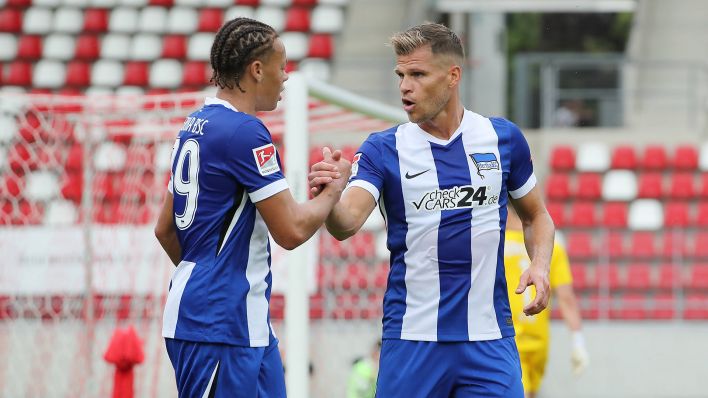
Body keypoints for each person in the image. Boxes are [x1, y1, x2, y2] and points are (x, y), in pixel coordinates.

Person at [309, 23, 555, 397]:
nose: (405, 86)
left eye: (418, 74)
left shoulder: (502, 139)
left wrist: (539, 264)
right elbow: (346, 223)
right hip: (412, 340)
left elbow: (537, 215)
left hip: (488, 338)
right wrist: (330, 196)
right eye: (401, 75)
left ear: (452, 76)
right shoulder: (382, 149)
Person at [154, 17, 350, 398]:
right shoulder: (245, 131)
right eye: (283, 66)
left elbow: (165, 229)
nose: (287, 77)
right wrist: (333, 189)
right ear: (257, 70)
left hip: (242, 322)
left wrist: (209, 275)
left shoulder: (197, 122)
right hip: (217, 326)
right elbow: (291, 231)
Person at [504, 206, 589, 397]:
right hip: (536, 341)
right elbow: (566, 298)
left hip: (509, 338)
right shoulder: (552, 248)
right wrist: (578, 342)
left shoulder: (497, 246)